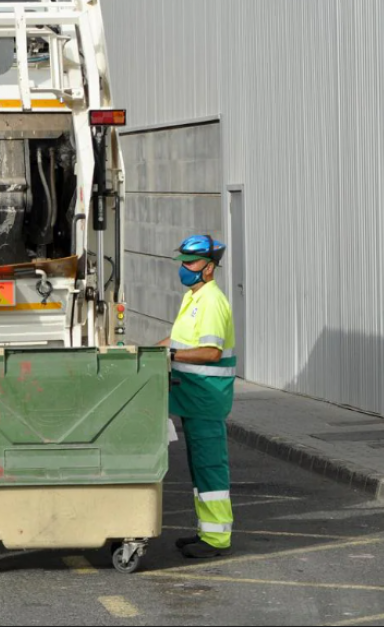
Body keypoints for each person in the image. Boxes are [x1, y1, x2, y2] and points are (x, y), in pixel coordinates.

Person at [159, 235, 237, 559]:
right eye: (182, 262)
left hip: (207, 398)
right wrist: (149, 350)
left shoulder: (212, 301)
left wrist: (171, 354)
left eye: (190, 263)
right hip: (193, 397)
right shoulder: (193, 298)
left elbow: (210, 352)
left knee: (210, 467)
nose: (184, 268)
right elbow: (176, 340)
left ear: (208, 268)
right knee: (199, 467)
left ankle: (217, 539)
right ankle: (207, 531)